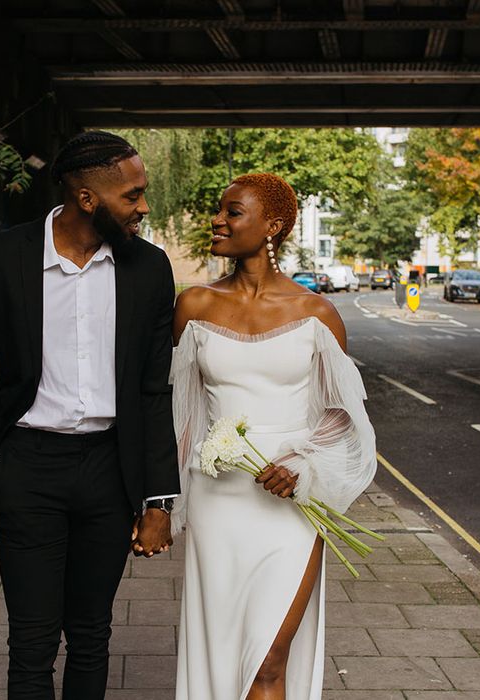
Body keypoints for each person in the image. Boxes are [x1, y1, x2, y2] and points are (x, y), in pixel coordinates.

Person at [0, 131, 179, 700]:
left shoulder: (148, 268)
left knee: (91, 635)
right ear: (87, 199)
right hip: (27, 466)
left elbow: (154, 390)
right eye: (133, 195)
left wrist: (158, 500)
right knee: (31, 639)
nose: (144, 206)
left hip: (109, 470)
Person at [170, 173, 377, 700]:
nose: (217, 220)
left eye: (232, 211)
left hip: (291, 505)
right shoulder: (193, 306)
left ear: (273, 227)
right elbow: (180, 412)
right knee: (222, 648)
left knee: (268, 659)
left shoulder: (316, 313)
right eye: (219, 211)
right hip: (218, 501)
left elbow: (343, 418)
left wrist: (304, 465)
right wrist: (162, 504)